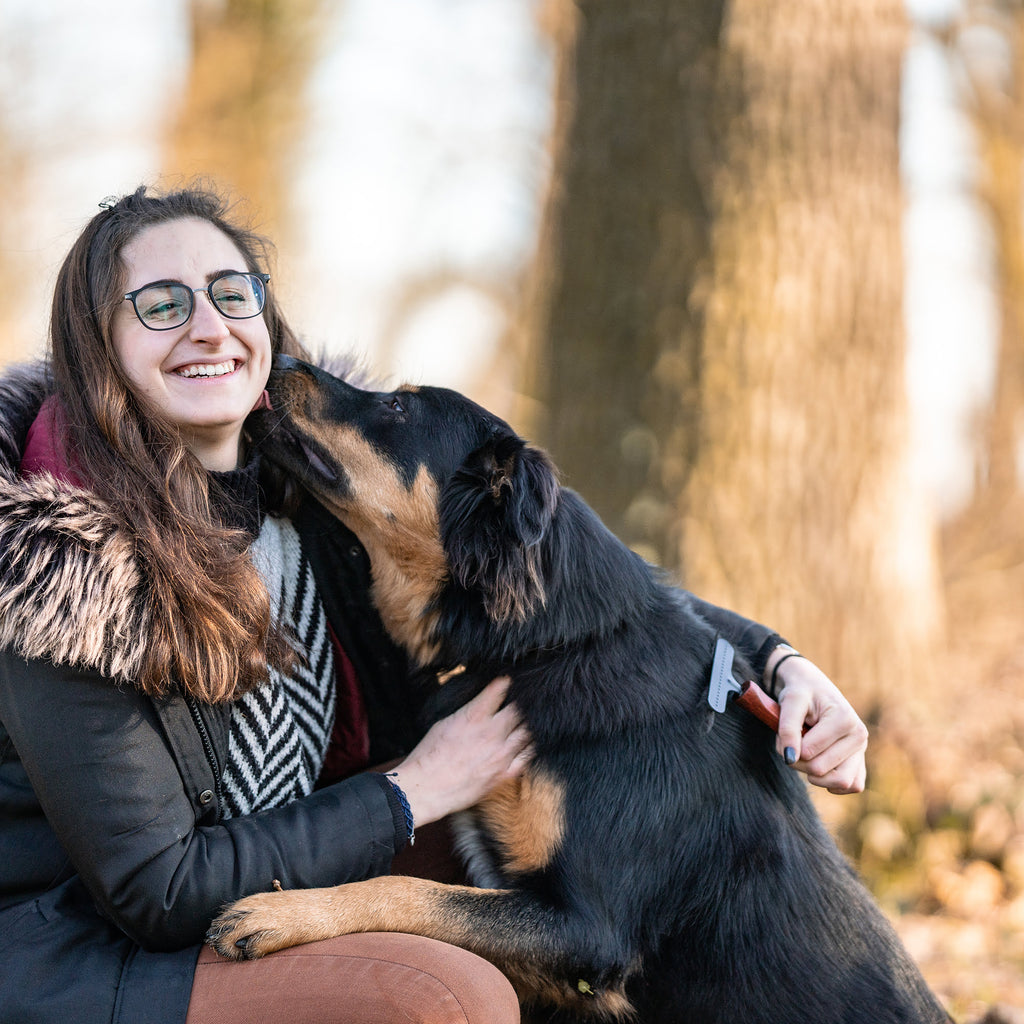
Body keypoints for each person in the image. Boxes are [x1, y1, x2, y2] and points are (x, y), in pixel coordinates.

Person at [0, 184, 867, 1024]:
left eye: (232, 293)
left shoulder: (321, 495)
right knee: (450, 999)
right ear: (97, 344)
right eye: (160, 304)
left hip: (277, 867)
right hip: (98, 955)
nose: (209, 325)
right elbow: (159, 891)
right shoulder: (58, 574)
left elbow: (584, 598)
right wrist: (413, 790)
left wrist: (781, 664)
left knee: (514, 844)